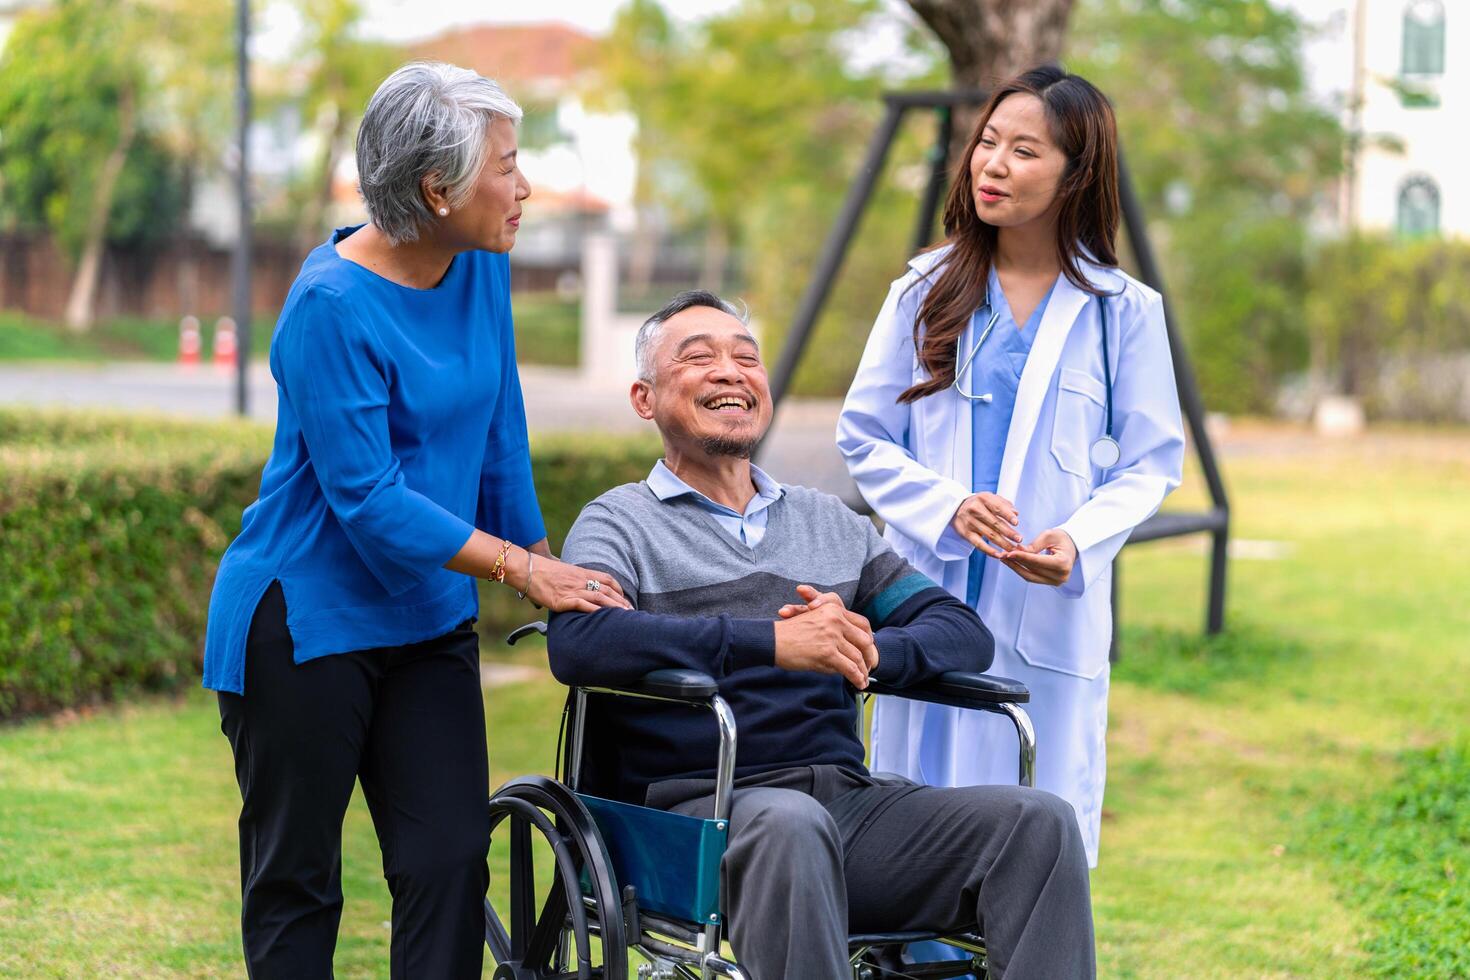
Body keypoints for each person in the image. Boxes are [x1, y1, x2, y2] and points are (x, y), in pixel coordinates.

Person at [202, 62, 631, 979]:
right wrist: (519, 571)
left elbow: (497, 432)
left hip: (426, 621)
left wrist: (549, 568)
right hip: (305, 622)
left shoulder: (477, 269)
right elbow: (369, 501)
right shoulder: (330, 305)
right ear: (437, 190)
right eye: (507, 168)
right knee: (297, 881)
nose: (525, 188)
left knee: (445, 863)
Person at [547, 290, 1096, 980]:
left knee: (1036, 823)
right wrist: (771, 644)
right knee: (787, 823)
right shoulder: (618, 523)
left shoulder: (830, 522)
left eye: (746, 358)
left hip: (846, 808)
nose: (730, 371)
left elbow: (960, 633)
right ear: (644, 398)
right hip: (695, 820)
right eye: (699, 358)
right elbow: (582, 645)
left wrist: (863, 650)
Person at [836, 65, 1185, 869]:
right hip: (930, 596)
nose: (992, 165)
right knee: (912, 836)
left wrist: (1078, 538)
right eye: (987, 143)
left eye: (1024, 151)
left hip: (1046, 615)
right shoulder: (923, 290)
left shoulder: (1122, 312)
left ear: (1077, 173)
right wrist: (947, 506)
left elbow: (1150, 463)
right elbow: (864, 435)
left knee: (1032, 843)